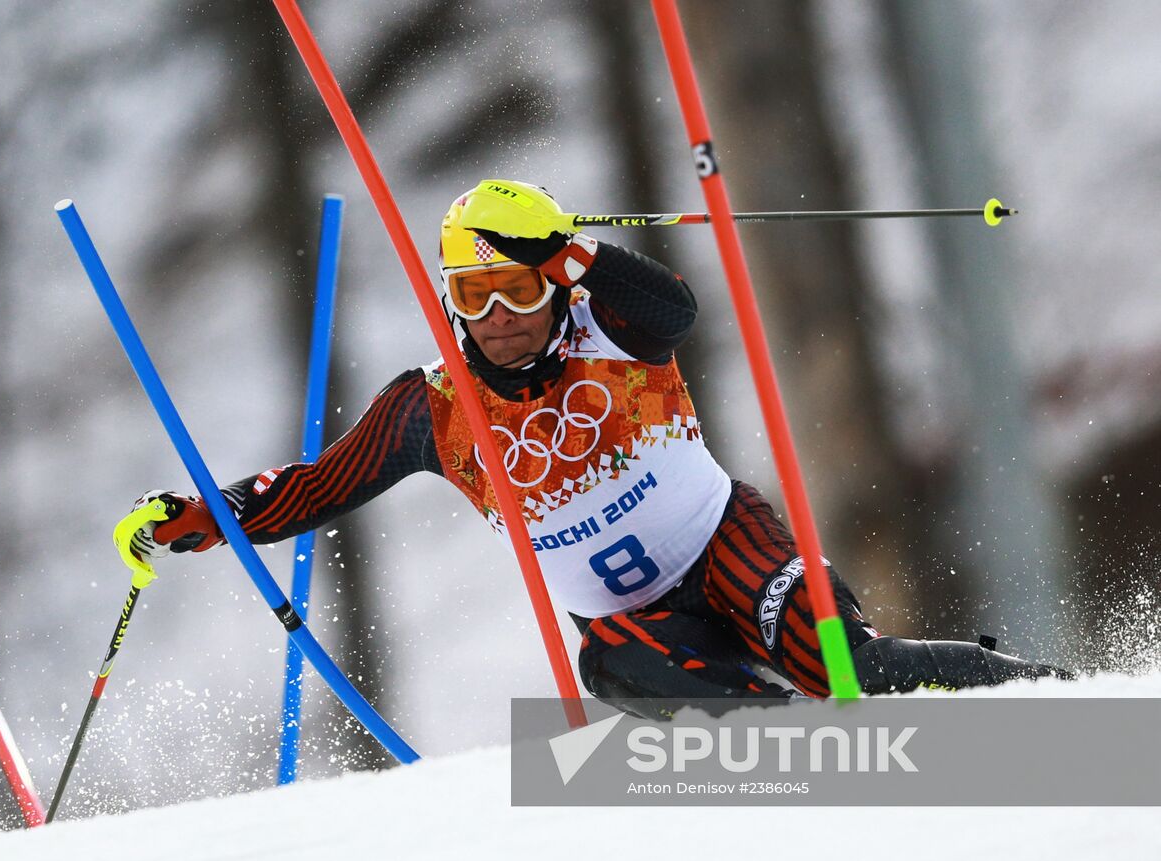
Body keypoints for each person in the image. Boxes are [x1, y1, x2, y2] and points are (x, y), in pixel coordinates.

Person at [122, 179, 1069, 719]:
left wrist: (574, 254)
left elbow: (677, 308)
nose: (499, 319)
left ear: (553, 284)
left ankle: (1060, 699)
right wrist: (198, 518)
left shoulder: (606, 326)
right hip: (631, 621)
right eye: (473, 295)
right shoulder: (433, 408)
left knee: (849, 669)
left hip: (724, 547)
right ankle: (785, 746)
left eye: (518, 292)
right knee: (614, 668)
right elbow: (316, 487)